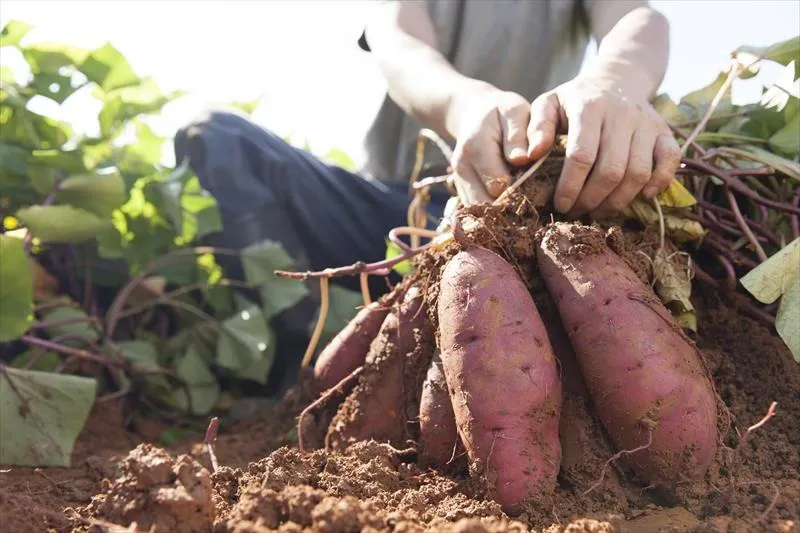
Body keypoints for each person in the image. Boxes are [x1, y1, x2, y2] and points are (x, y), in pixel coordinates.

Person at [174, 0, 680, 395]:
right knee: (215, 138)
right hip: (399, 212)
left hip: (517, 213)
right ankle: (303, 370)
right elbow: (398, 41)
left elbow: (637, 18)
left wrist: (614, 85)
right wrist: (465, 105)